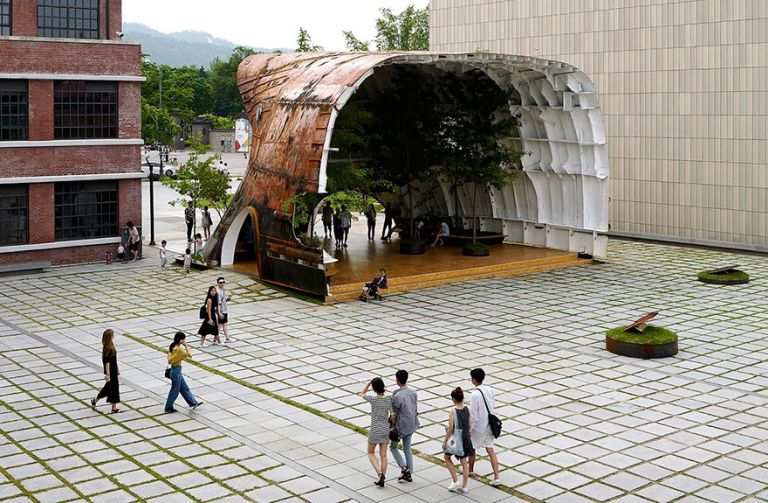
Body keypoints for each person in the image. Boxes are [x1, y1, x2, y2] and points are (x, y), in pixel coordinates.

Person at [468, 368, 501, 485]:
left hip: (479, 426)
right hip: (490, 425)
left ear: (474, 380)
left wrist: (469, 429)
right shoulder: (490, 390)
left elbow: (473, 415)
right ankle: (496, 476)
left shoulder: (474, 394)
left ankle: (470, 470)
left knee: (472, 448)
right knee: (490, 449)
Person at [361, 378, 392, 488]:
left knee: (370, 453)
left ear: (374, 389)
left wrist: (368, 383)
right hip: (385, 429)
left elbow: (362, 394)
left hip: (375, 429)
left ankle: (379, 474)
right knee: (383, 455)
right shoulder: (389, 399)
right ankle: (382, 476)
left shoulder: (373, 399)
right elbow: (392, 415)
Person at [442, 387, 473, 493]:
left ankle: (455, 480)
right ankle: (464, 486)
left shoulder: (453, 411)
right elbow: (469, 424)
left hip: (456, 439)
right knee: (464, 462)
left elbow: (451, 428)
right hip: (465, 437)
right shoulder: (467, 408)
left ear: (454, 399)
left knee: (447, 457)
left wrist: (445, 440)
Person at [390, 370, 419, 483]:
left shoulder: (397, 397)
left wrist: (392, 426)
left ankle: (404, 468)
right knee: (407, 448)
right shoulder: (413, 392)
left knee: (393, 447)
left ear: (397, 380)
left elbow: (394, 415)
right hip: (412, 424)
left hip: (401, 426)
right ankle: (409, 473)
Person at [164, 332, 202, 413]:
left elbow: (169, 358)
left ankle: (193, 402)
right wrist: (186, 346)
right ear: (181, 340)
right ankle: (168, 407)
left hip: (175, 370)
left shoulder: (172, 346)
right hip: (176, 371)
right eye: (184, 340)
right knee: (175, 391)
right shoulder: (179, 350)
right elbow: (189, 355)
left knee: (184, 388)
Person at [91, 329, 121, 414]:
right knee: (113, 389)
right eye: (112, 334)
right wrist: (108, 374)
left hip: (113, 370)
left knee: (108, 389)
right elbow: (107, 362)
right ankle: (113, 408)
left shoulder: (108, 345)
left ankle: (95, 401)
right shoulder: (109, 348)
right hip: (111, 372)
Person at [216, 276, 234, 343]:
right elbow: (218, 303)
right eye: (220, 282)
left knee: (223, 325)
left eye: (223, 282)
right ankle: (225, 339)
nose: (222, 284)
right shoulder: (219, 292)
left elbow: (222, 301)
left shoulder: (222, 290)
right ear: (218, 283)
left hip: (224, 310)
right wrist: (219, 312)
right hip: (222, 310)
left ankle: (225, 338)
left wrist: (228, 299)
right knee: (221, 325)